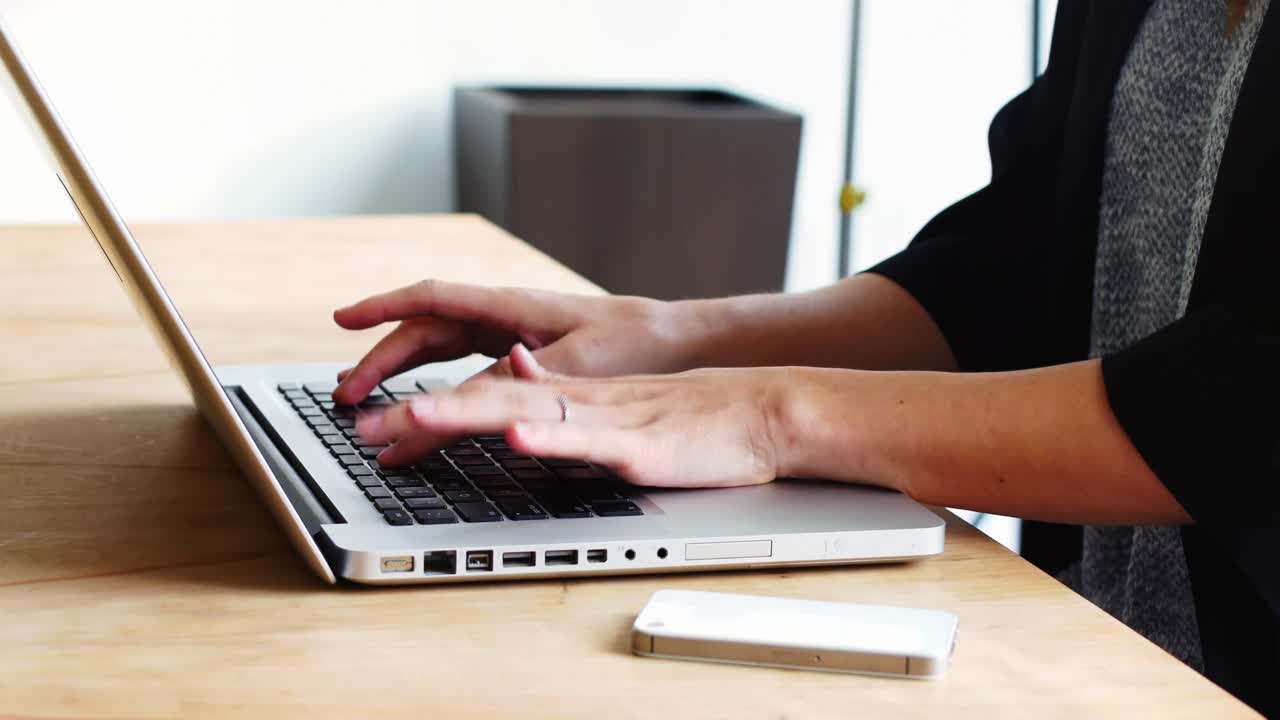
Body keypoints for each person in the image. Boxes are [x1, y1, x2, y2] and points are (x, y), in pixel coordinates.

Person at [332, 0, 1278, 714]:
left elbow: (1245, 410)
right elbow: (1026, 260)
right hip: (1112, 666)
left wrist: (769, 414)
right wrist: (668, 339)